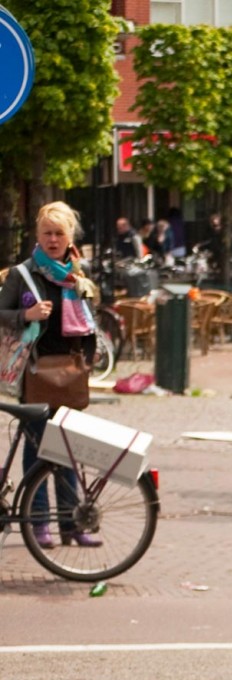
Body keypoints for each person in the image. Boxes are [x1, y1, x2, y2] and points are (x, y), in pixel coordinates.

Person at [0, 202, 101, 548]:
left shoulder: (76, 275)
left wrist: (90, 355)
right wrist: (25, 314)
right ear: (38, 236)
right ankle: (37, 522)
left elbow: (89, 320)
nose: (54, 239)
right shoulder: (23, 274)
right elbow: (1, 313)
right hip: (36, 371)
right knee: (39, 450)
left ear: (69, 236)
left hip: (71, 373)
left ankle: (72, 526)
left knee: (69, 449)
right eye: (48, 233)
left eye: (60, 233)